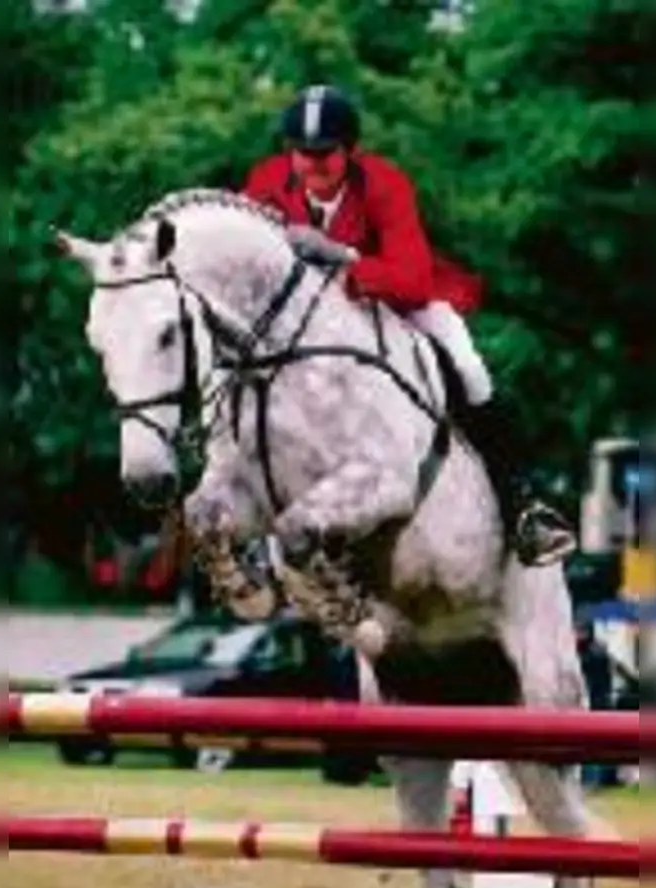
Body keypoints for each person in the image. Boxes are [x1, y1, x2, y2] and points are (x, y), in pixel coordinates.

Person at [240, 84, 578, 567]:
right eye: (302, 154)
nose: (313, 165)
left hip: (393, 301)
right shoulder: (267, 181)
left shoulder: (384, 184)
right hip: (308, 321)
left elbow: (412, 281)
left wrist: (341, 256)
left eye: (325, 154)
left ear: (351, 151)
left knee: (468, 365)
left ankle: (523, 505)